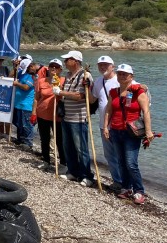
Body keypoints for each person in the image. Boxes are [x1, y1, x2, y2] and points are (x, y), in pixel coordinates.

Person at [103, 64, 153, 205]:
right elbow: (108, 111)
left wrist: (148, 131)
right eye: (119, 74)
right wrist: (106, 127)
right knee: (121, 162)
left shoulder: (138, 92)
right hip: (116, 131)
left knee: (131, 163)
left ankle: (139, 191)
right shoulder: (114, 92)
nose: (122, 76)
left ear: (132, 76)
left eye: (125, 74)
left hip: (132, 132)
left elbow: (146, 112)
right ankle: (126, 188)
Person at [55, 50, 95, 186]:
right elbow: (67, 94)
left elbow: (80, 96)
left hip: (79, 118)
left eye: (68, 60)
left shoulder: (85, 75)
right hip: (67, 116)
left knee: (81, 148)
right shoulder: (67, 75)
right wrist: (59, 93)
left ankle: (87, 175)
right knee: (68, 146)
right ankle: (72, 171)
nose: (65, 62)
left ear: (76, 61)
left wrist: (61, 92)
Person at [92, 55, 122, 189]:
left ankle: (126, 183)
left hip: (118, 125)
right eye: (100, 65)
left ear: (112, 66)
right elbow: (92, 100)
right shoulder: (98, 81)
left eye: (106, 65)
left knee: (122, 155)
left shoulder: (120, 80)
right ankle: (117, 181)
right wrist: (86, 86)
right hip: (103, 126)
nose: (103, 67)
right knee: (109, 155)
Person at [31, 58, 66, 168]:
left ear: (60, 69)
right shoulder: (41, 81)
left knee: (60, 141)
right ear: (48, 68)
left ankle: (63, 163)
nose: (53, 69)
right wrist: (33, 113)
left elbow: (65, 96)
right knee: (44, 139)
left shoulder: (64, 80)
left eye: (56, 67)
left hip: (57, 116)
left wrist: (58, 86)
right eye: (51, 66)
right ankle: (46, 161)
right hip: (42, 114)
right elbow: (36, 98)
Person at [12, 59, 38, 150]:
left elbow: (26, 87)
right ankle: (20, 139)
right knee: (19, 123)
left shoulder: (32, 77)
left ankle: (28, 142)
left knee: (27, 124)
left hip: (27, 105)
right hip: (18, 104)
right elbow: (12, 75)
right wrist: (15, 67)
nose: (32, 68)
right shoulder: (22, 74)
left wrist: (17, 84)